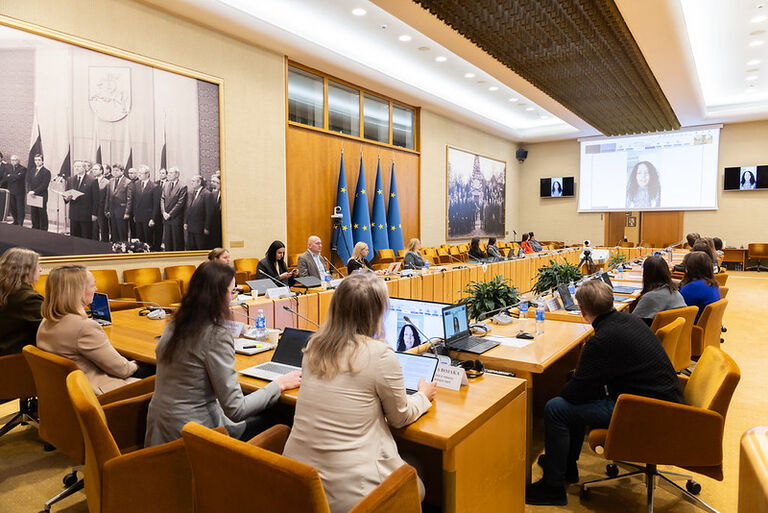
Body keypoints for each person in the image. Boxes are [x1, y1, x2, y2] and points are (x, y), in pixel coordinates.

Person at [283, 273, 436, 513]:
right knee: (419, 475)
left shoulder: (313, 345)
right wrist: (423, 395)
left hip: (298, 482)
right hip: (353, 495)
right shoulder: (380, 354)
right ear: (376, 313)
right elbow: (400, 417)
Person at [525, 279, 684, 506]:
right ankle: (565, 467)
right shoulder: (630, 321)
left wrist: (568, 385)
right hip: (662, 402)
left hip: (645, 411)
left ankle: (553, 487)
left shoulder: (602, 340)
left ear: (581, 311)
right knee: (576, 398)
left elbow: (576, 393)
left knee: (556, 408)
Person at [144, 261, 301, 446]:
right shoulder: (215, 335)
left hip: (161, 430)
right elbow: (236, 409)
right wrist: (279, 384)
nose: (234, 298)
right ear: (218, 296)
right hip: (194, 437)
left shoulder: (174, 324)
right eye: (232, 291)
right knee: (284, 416)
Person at [36, 265, 144, 394]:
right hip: (100, 395)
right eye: (93, 285)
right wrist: (136, 363)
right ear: (78, 291)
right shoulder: (84, 327)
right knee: (159, 368)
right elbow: (122, 370)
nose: (96, 289)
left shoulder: (46, 321)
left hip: (65, 394)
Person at [0, 248, 43, 356]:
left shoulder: (6, 291)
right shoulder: (29, 299)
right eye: (38, 266)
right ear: (26, 270)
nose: (41, 269)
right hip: (16, 361)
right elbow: (50, 329)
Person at [630, 255, 686, 325]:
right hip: (676, 333)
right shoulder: (675, 291)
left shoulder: (650, 297)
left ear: (646, 274)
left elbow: (632, 323)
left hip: (656, 334)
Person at [679, 252, 721, 323]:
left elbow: (678, 308)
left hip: (691, 327)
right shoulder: (712, 284)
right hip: (706, 327)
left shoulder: (693, 287)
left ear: (689, 269)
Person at [65, 160, 99, 239]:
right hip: (74, 213)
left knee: (86, 237)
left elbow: (96, 199)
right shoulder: (70, 179)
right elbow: (66, 194)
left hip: (86, 214)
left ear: (84, 168)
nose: (76, 168)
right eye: (75, 166)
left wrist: (94, 214)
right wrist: (66, 198)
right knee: (74, 237)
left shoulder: (92, 180)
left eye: (78, 166)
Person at [161, 167, 187, 251]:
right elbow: (162, 199)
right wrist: (164, 212)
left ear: (177, 174)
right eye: (169, 173)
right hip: (166, 217)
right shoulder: (166, 184)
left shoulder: (182, 186)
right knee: (167, 241)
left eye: (171, 173)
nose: (168, 174)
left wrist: (170, 214)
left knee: (177, 242)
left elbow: (180, 203)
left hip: (176, 218)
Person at [132, 165, 160, 246]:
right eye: (139, 173)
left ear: (147, 174)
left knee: (148, 240)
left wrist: (153, 219)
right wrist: (134, 214)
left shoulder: (154, 186)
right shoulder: (136, 184)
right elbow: (134, 201)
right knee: (140, 240)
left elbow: (156, 205)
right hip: (138, 216)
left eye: (141, 173)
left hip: (148, 217)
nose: (139, 175)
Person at [105, 163, 133, 242]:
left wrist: (127, 213)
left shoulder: (128, 182)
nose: (115, 172)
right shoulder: (111, 181)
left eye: (117, 170)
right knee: (114, 232)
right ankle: (115, 248)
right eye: (113, 170)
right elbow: (108, 196)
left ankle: (123, 249)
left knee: (122, 233)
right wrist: (107, 209)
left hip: (122, 210)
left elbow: (129, 199)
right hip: (112, 210)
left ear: (122, 171)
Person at [183, 175, 211, 250]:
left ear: (199, 182)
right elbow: (187, 208)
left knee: (200, 248)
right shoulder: (190, 192)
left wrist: (207, 227)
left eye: (193, 181)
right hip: (190, 226)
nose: (191, 183)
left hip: (200, 228)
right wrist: (185, 222)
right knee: (190, 248)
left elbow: (209, 213)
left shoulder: (207, 194)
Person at [27, 154, 50, 231]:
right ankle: (35, 228)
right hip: (32, 195)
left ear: (42, 161)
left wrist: (35, 191)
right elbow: (29, 182)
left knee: (42, 213)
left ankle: (43, 229)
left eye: (39, 160)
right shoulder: (32, 170)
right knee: (34, 213)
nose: (37, 162)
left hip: (41, 195)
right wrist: (30, 191)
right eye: (36, 160)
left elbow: (44, 185)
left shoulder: (46, 172)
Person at [90, 163, 111, 241]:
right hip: (94, 209)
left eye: (96, 169)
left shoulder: (107, 182)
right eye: (93, 169)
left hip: (103, 209)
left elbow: (107, 197)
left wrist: (107, 209)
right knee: (94, 229)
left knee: (103, 229)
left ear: (101, 170)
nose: (93, 171)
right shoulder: (92, 181)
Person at [5, 155, 26, 226]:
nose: (13, 161)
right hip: (11, 191)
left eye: (15, 160)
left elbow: (19, 177)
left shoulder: (23, 168)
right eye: (12, 160)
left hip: (19, 192)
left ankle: (20, 223)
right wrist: (13, 176)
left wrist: (10, 176)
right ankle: (15, 221)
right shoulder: (9, 168)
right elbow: (6, 177)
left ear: (18, 161)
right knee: (12, 207)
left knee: (20, 208)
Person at [207, 174, 222, 247]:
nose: (214, 184)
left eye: (216, 182)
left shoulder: (225, 194)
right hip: (214, 224)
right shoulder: (214, 193)